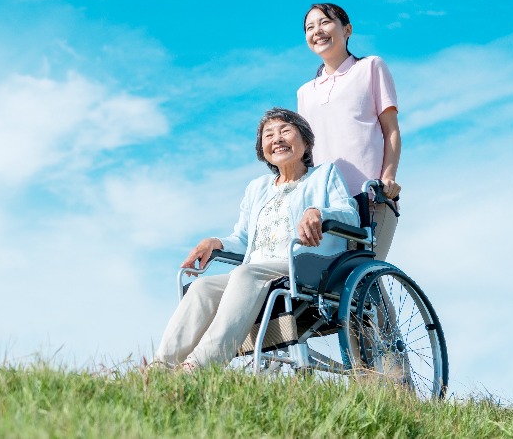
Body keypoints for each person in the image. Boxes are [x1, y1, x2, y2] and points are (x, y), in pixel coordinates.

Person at [153, 108, 359, 370]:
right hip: (257, 272)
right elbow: (243, 239)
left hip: (305, 266)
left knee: (245, 274)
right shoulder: (257, 188)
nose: (277, 139)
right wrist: (215, 243)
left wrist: (319, 212)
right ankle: (160, 367)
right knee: (201, 289)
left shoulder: (324, 175)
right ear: (263, 150)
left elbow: (350, 215)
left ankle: (200, 365)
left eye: (285, 131)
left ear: (306, 142)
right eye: (268, 135)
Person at [296, 3, 401, 259]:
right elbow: (304, 154)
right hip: (327, 202)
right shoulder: (305, 92)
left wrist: (387, 178)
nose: (317, 31)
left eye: (325, 22)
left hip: (370, 195)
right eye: (310, 27)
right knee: (334, 289)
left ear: (347, 30)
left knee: (364, 272)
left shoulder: (371, 67)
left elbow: (391, 131)